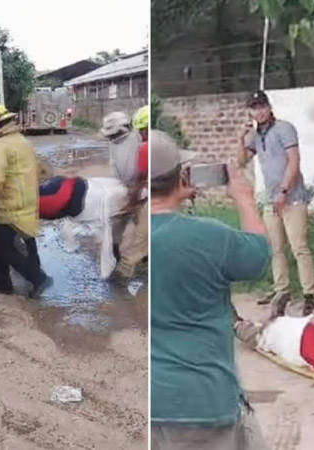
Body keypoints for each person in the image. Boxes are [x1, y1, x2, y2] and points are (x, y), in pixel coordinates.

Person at [151, 129, 271, 449]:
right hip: (200, 401)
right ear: (181, 179)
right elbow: (259, 255)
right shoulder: (209, 237)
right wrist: (244, 199)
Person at [238, 90, 314, 315]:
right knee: (276, 249)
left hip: (292, 198)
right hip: (271, 199)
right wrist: (240, 137)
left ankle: (310, 294)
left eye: (262, 106)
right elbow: (241, 160)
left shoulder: (284, 128)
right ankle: (282, 290)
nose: (259, 111)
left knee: (299, 247)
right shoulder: (254, 135)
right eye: (254, 107)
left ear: (269, 106)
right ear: (250, 111)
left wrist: (284, 191)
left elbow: (294, 160)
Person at [0, 103, 52, 298]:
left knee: (3, 248)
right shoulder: (22, 141)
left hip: (9, 206)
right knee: (23, 241)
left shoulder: (0, 147)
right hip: (25, 201)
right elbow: (42, 170)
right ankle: (3, 283)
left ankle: (38, 278)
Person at [101, 111, 148, 283]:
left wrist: (136, 195)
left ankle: (130, 269)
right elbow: (114, 166)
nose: (114, 137)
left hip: (143, 190)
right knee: (115, 227)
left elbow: (143, 173)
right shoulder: (113, 144)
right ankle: (114, 259)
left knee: (143, 232)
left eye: (116, 133)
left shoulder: (140, 139)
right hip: (125, 187)